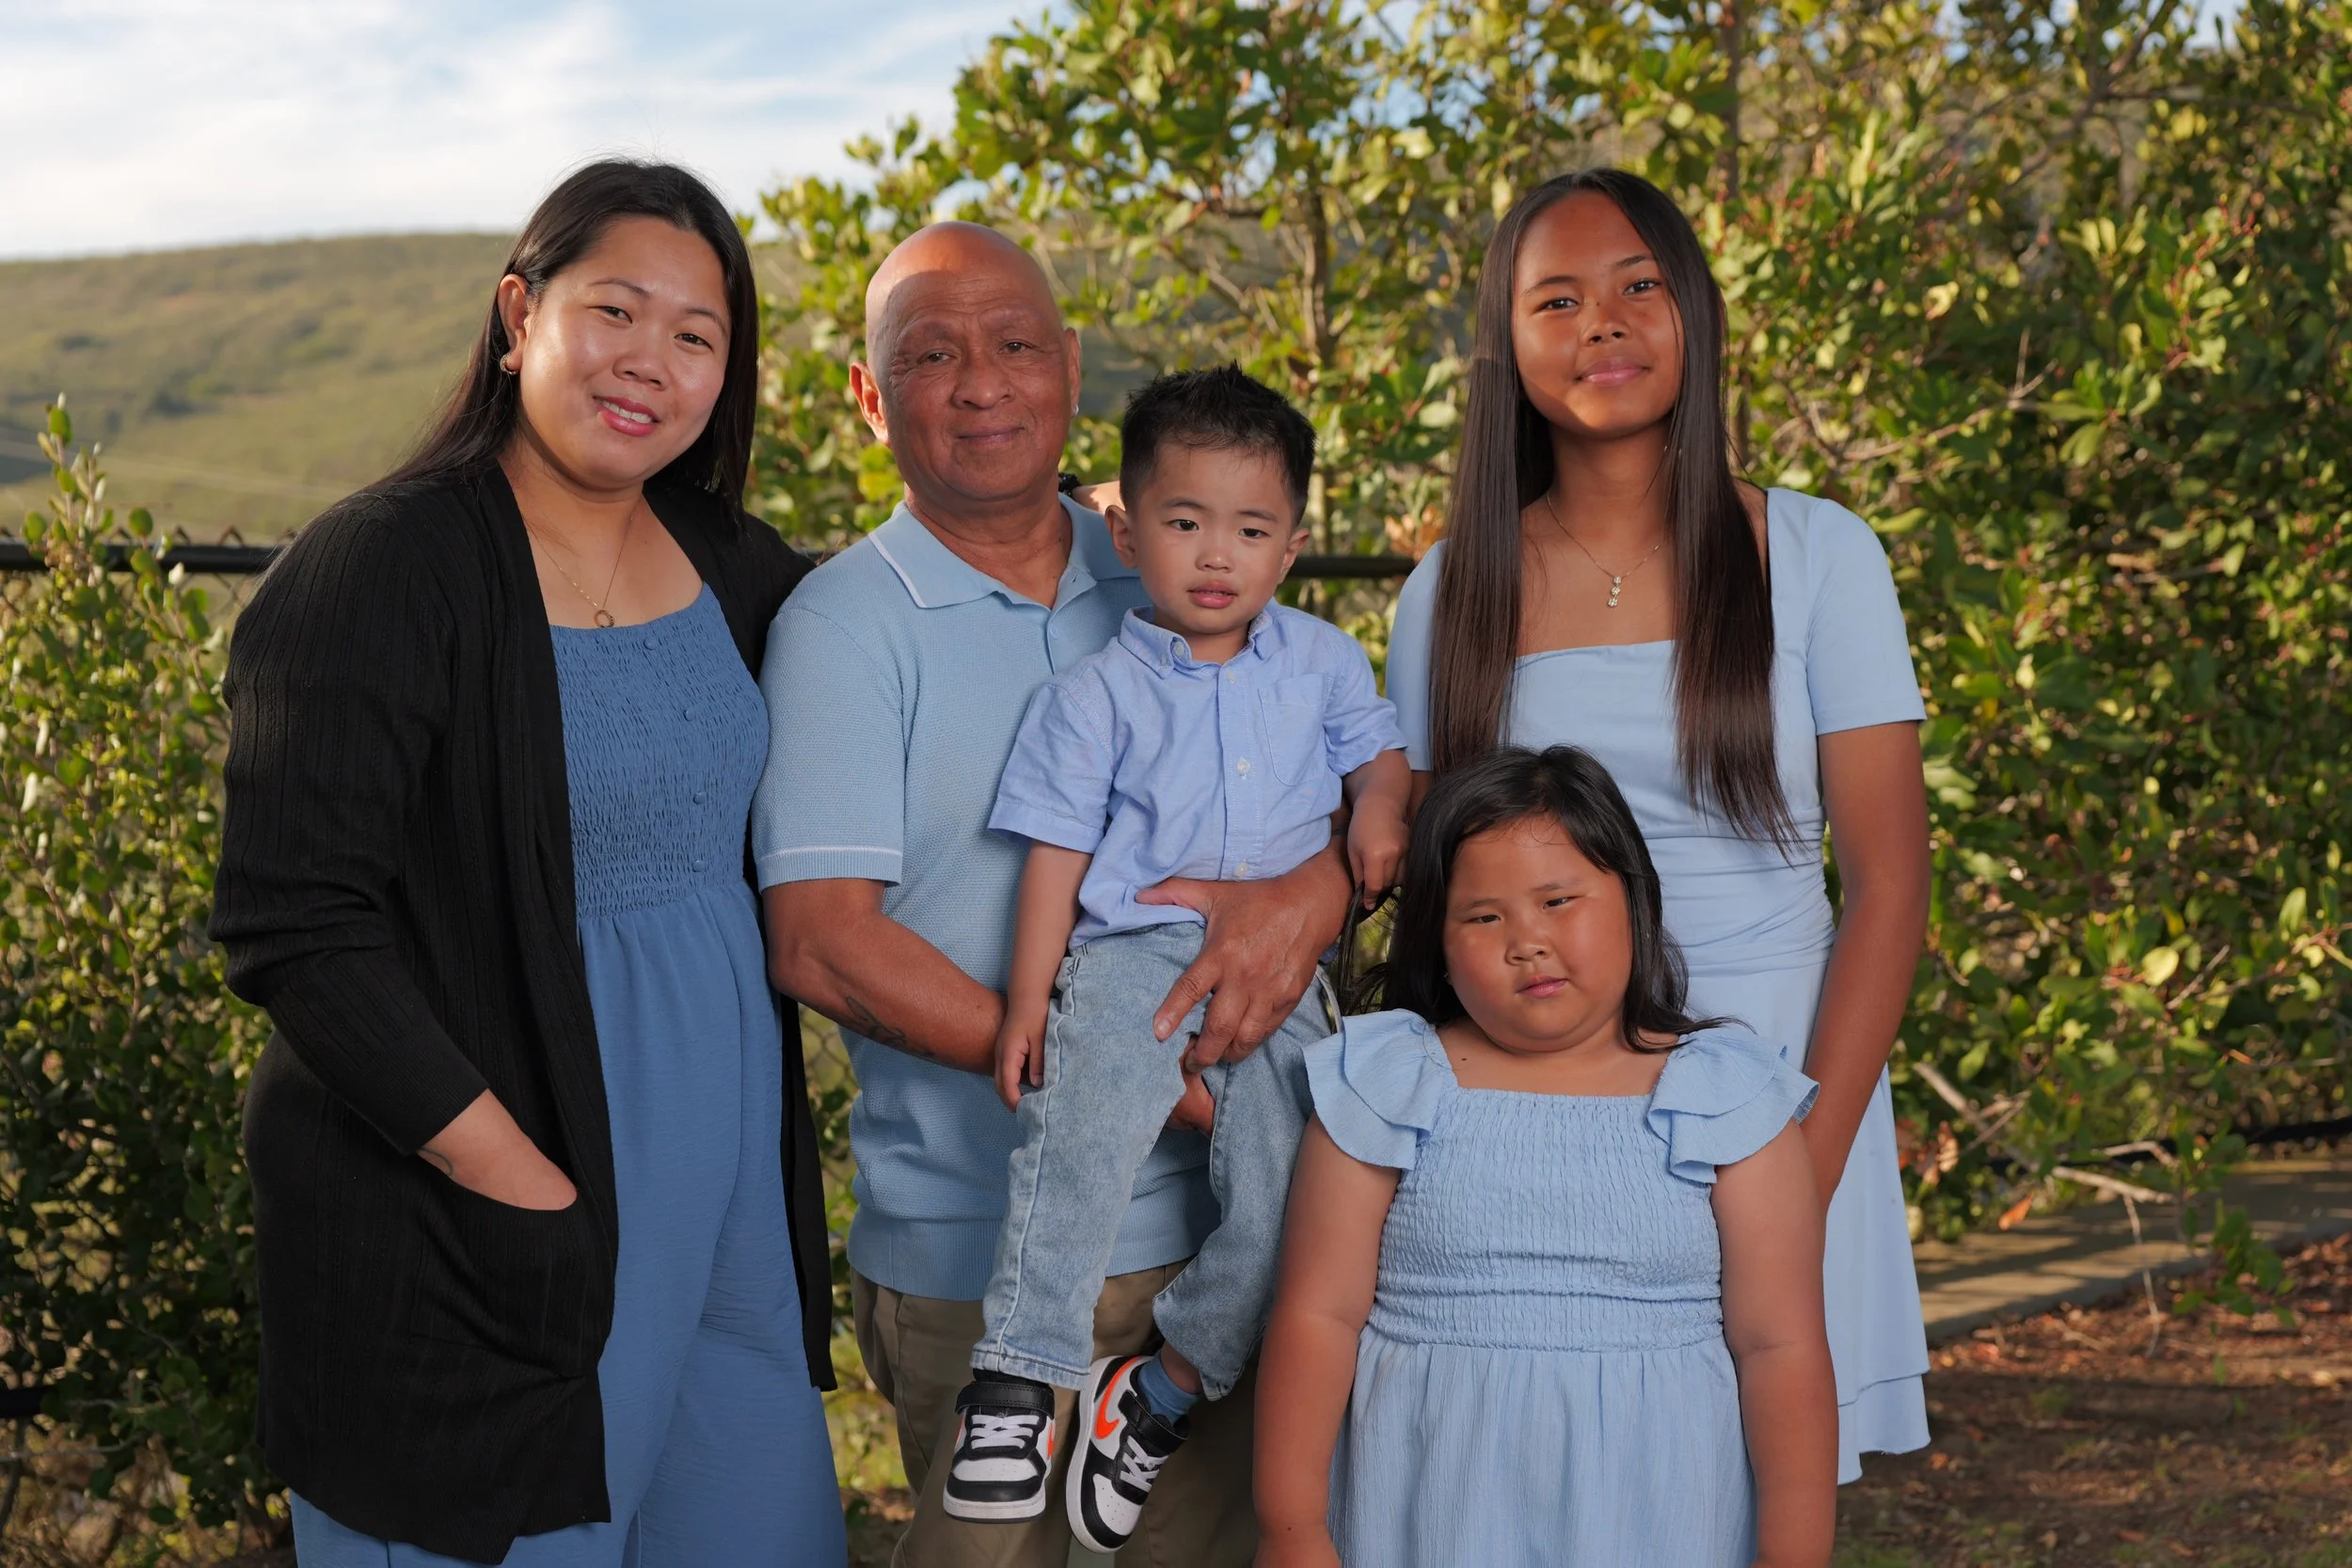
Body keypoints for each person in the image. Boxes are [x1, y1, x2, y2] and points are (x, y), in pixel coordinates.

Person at [211, 160, 844, 1567]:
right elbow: (294, 923)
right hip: (485, 1214)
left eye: (697, 335)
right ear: (519, 312)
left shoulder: (728, 559)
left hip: (727, 1205)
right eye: (616, 310)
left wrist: (1094, 532)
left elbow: (893, 641)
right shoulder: (379, 564)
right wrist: (522, 1185)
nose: (652, 362)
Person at [755, 226, 1356, 1567]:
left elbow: (1349, 790)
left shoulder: (1174, 565)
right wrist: (1125, 1074)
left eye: (1017, 344)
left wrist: (1313, 896)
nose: (983, 383)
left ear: (1072, 368)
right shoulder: (842, 626)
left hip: (1216, 1245)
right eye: (930, 354)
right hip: (979, 1251)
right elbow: (823, 942)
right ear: (870, 397)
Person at [1384, 166, 1934, 1479]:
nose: (1604, 322)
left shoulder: (1817, 555)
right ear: (1508, 347)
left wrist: (1800, 1157)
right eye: (1557, 298)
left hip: (1787, 1084)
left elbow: (1892, 887)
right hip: (1543, 1101)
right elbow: (1405, 865)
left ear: (1693, 311)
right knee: (1561, 1487)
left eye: (1639, 285)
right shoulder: (1450, 589)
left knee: (1760, 1499)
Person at [946, 366, 1409, 1549]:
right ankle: (1018, 1380)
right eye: (1184, 521)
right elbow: (1054, 858)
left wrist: (1374, 816)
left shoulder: (1322, 663)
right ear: (1125, 524)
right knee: (1084, 1135)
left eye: (1250, 529)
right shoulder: (1091, 695)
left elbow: (1380, 765)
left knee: (1303, 1189)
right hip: (1130, 955)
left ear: (1291, 545)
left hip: (1285, 973)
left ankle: (1163, 1384)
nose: (1217, 554)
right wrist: (1026, 1002)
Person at [1255, 745, 1837, 1567]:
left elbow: (1781, 1346)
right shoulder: (1389, 1083)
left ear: (1632, 899)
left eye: (1558, 900)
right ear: (1441, 944)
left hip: (1661, 1509)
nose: (1526, 941)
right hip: (1430, 1503)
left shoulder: (1724, 1095)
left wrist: (1794, 1552)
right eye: (1484, 917)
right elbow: (1317, 1316)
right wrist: (1292, 1529)